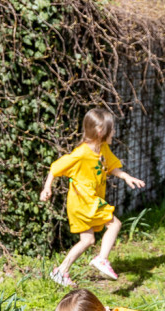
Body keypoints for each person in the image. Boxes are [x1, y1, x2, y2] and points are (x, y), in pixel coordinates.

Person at [40, 108, 145, 286]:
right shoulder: (81, 154)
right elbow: (56, 168)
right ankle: (102, 259)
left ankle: (61, 271)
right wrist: (47, 187)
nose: (114, 132)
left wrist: (126, 177)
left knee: (87, 240)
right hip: (84, 201)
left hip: (84, 202)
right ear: (100, 131)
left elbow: (111, 167)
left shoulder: (102, 149)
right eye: (111, 129)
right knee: (115, 224)